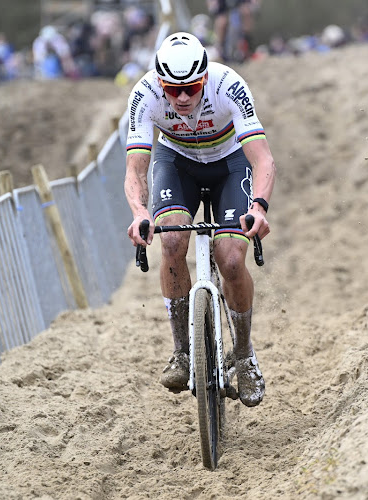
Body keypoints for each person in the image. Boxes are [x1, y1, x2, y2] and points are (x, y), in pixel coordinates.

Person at [124, 32, 276, 407]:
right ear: (160, 84)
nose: (182, 98)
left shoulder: (229, 86)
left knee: (231, 259)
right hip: (177, 163)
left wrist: (258, 207)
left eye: (191, 87)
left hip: (229, 162)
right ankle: (182, 351)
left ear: (205, 78)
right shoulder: (144, 96)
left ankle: (243, 356)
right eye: (172, 90)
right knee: (172, 242)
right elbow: (136, 169)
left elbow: (262, 159)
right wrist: (139, 212)